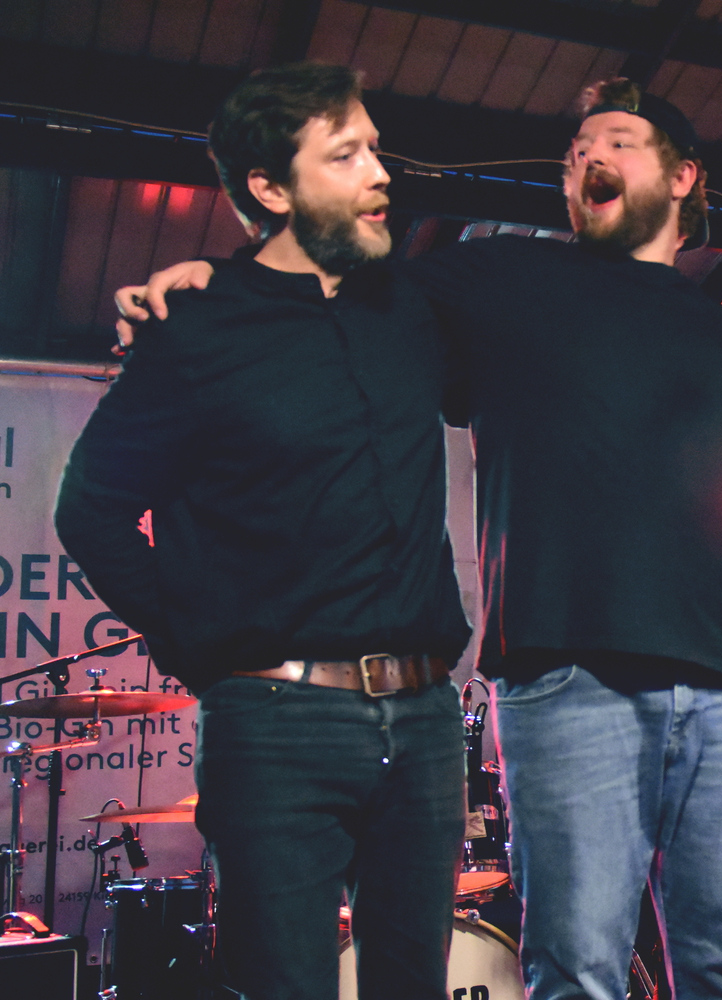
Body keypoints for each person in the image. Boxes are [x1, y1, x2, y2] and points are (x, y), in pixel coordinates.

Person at [115, 75, 722, 1000]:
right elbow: (346, 291)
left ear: (683, 177)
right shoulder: (508, 277)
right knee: (580, 970)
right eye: (577, 152)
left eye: (616, 142)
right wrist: (220, 287)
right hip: (574, 679)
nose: (588, 158)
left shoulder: (721, 332)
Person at [56, 64, 471, 1000]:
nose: (380, 173)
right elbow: (91, 507)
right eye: (346, 155)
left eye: (375, 149)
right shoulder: (199, 326)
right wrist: (203, 642)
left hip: (425, 720)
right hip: (277, 725)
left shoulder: (412, 307)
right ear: (270, 189)